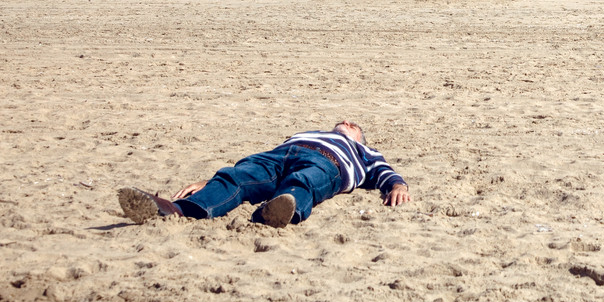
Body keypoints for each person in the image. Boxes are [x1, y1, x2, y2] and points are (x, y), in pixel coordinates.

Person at [118, 120, 410, 228]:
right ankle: (174, 209)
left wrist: (397, 185)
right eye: (343, 121)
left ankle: (277, 211)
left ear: (360, 138)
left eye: (353, 124)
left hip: (327, 163)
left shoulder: (360, 150)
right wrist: (209, 180)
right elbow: (250, 164)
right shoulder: (306, 132)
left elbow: (383, 172)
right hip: (280, 155)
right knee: (237, 176)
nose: (346, 122)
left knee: (303, 182)